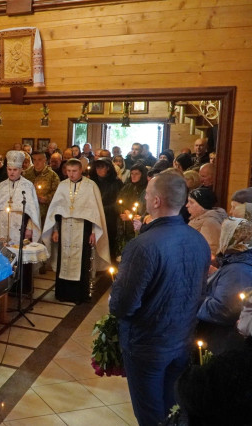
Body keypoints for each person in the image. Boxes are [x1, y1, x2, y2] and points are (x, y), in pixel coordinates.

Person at [109, 172, 211, 426]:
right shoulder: (198, 239)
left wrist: (114, 298)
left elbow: (123, 305)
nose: (144, 198)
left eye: (147, 195)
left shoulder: (142, 245)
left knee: (150, 414)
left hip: (148, 344)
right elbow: (199, 291)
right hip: (182, 338)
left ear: (156, 201)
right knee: (172, 408)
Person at [42, 159, 110, 304]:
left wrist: (94, 231)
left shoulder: (90, 186)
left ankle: (79, 295)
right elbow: (56, 212)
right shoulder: (62, 185)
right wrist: (55, 230)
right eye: (68, 171)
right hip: (65, 228)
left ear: (81, 170)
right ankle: (62, 293)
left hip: (83, 229)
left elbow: (95, 212)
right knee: (64, 260)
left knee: (82, 261)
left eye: (74, 171)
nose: (71, 174)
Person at [195, 217, 252, 354]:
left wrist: (194, 298)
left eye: (224, 232)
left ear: (232, 238)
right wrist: (216, 275)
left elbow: (224, 310)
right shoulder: (235, 263)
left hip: (221, 343)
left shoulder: (237, 270)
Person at [0, 151, 42, 244]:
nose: (12, 172)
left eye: (15, 170)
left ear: (21, 169)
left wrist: (30, 228)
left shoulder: (28, 186)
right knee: (4, 249)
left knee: (19, 250)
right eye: (9, 169)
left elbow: (33, 211)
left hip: (21, 227)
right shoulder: (1, 186)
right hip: (3, 227)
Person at [116, 163, 148, 255]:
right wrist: (125, 211)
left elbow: (145, 208)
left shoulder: (146, 189)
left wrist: (131, 216)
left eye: (137, 174)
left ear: (142, 175)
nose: (133, 176)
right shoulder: (127, 187)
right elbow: (118, 203)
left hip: (139, 224)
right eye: (132, 173)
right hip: (125, 226)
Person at [187, 187, 227, 256]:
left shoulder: (209, 222)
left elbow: (212, 250)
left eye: (191, 202)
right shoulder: (197, 219)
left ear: (202, 205)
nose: (187, 205)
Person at [24, 151, 60, 226]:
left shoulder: (52, 176)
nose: (37, 162)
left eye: (39, 159)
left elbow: (57, 193)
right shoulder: (27, 174)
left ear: (45, 160)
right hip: (29, 211)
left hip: (45, 212)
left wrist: (46, 198)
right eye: (34, 160)